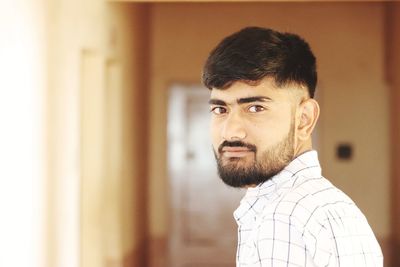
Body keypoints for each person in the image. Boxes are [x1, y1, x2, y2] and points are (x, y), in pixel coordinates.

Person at [202, 27, 383, 266]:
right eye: (220, 109)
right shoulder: (312, 208)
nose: (230, 131)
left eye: (255, 108)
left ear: (304, 119)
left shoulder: (287, 218)